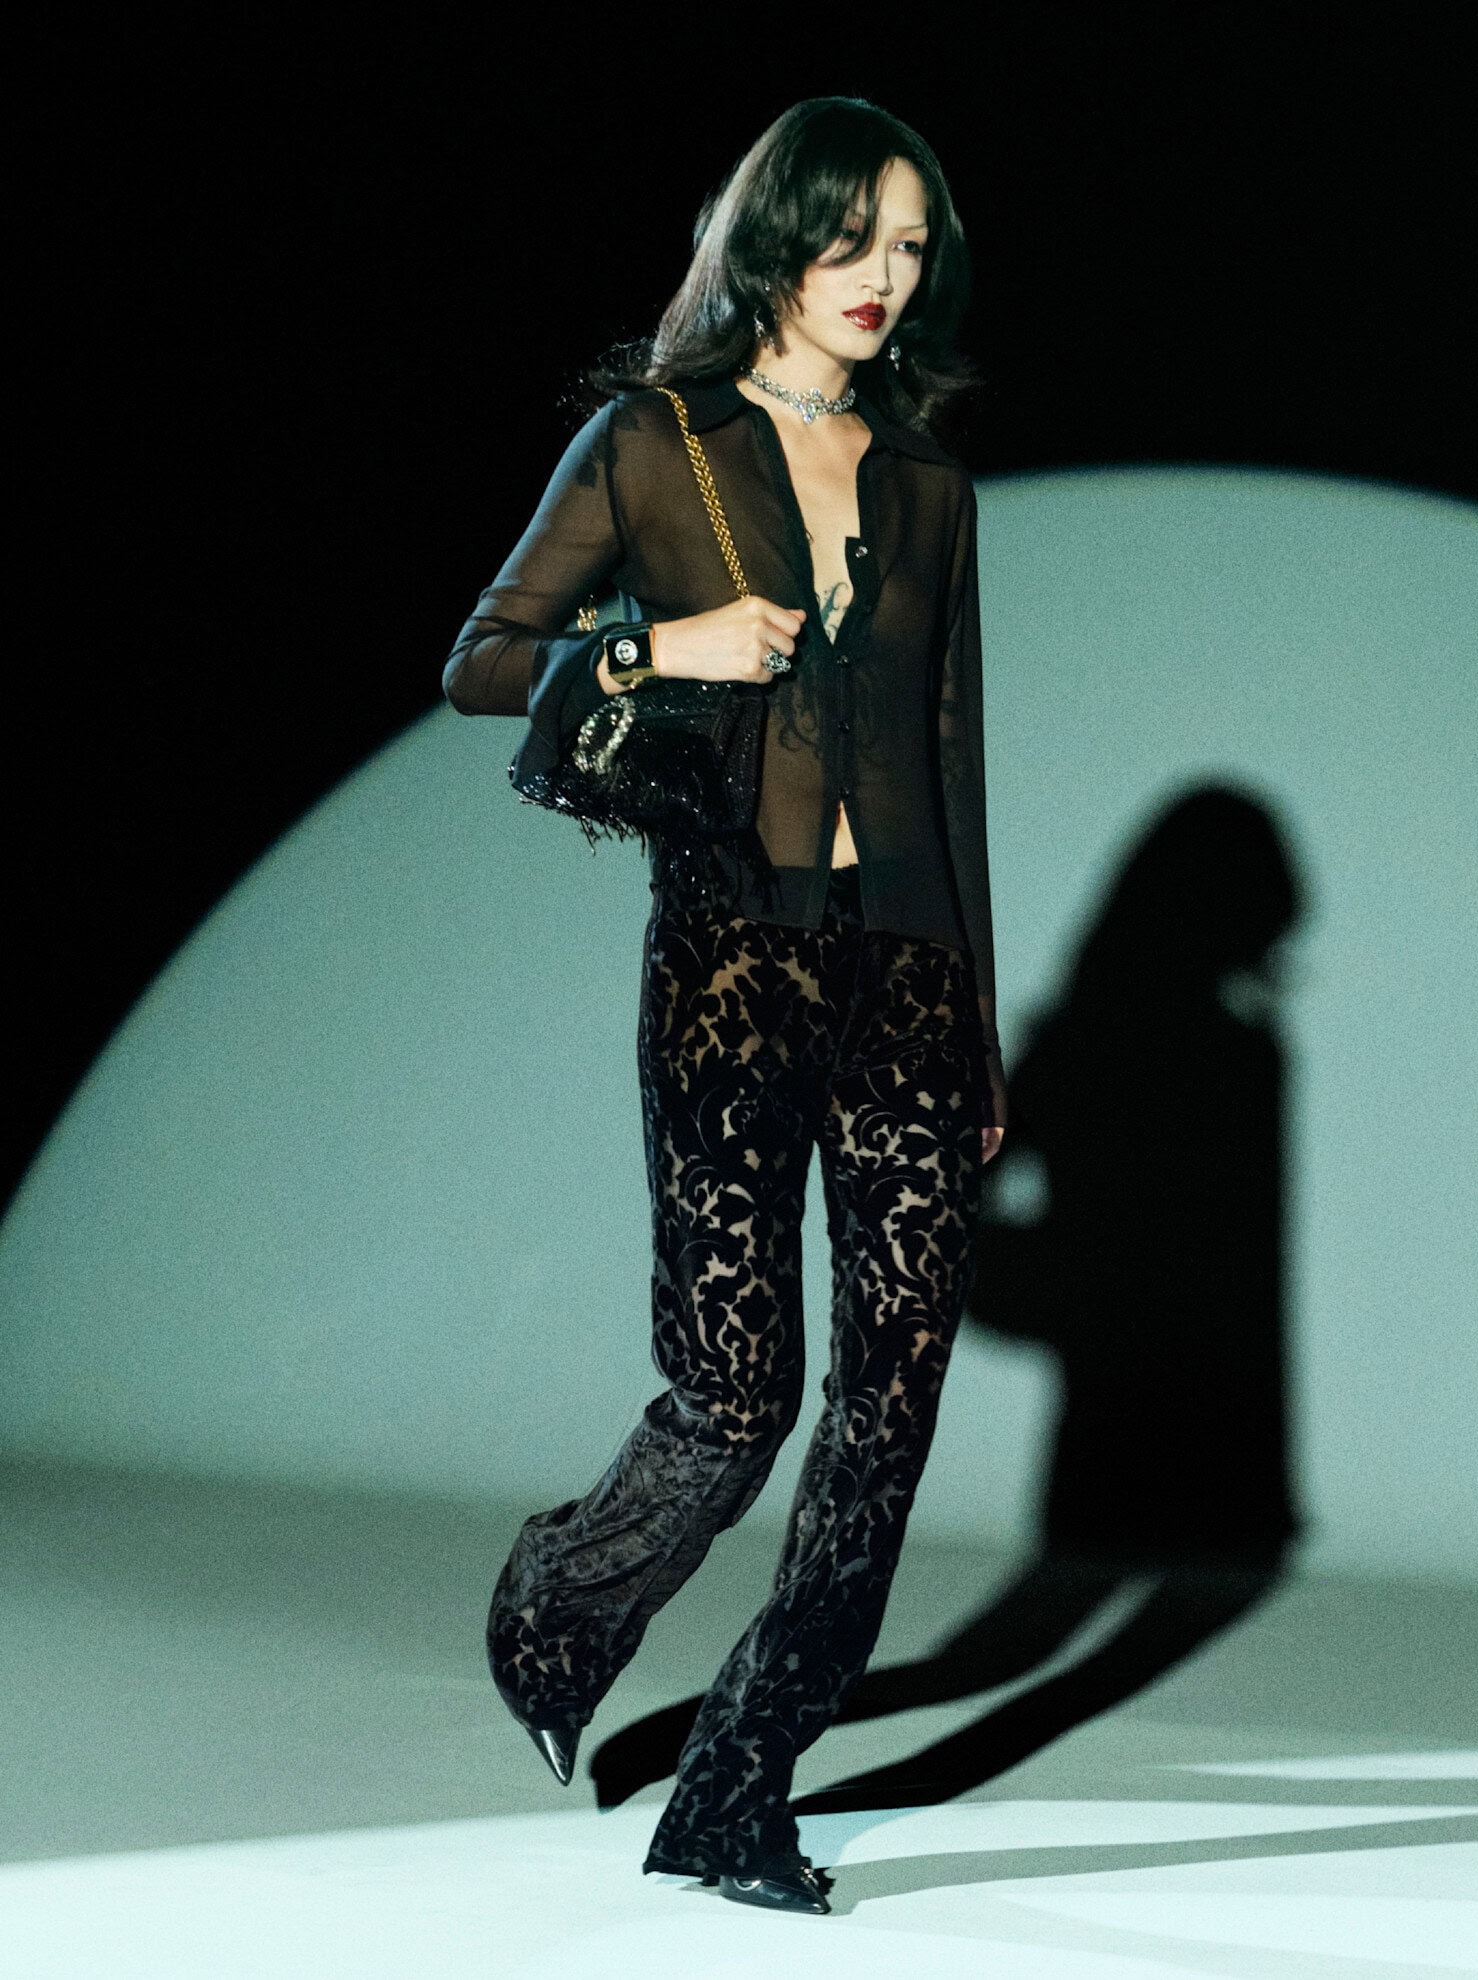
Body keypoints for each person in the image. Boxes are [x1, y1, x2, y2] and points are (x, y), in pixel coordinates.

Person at [441, 95, 1006, 1915]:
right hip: (730, 973)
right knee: (736, 1392)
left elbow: (950, 762)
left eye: (910, 245)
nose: (883, 275)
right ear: (779, 240)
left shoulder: (929, 484)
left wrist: (980, 1031)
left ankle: (740, 1786)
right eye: (854, 237)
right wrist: (653, 645)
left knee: (893, 1406)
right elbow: (482, 663)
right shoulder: (654, 442)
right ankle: (559, 1601)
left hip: (907, 974)